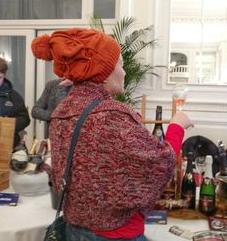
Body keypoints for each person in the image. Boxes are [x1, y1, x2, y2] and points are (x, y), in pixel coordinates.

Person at [31, 28, 193, 241]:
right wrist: (176, 126)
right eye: (120, 64)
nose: (124, 72)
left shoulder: (63, 111)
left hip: (75, 228)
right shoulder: (111, 115)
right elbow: (160, 162)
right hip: (114, 233)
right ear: (103, 72)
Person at [0, 55, 30, 147]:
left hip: (5, 146)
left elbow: (25, 119)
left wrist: (7, 125)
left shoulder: (13, 96)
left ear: (4, 75)